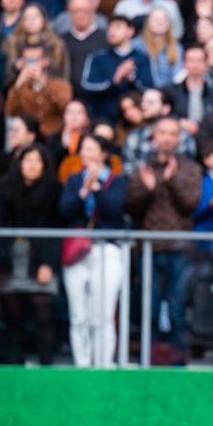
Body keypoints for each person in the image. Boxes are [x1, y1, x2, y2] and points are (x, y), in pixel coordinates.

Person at [125, 116, 202, 359]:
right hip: (149, 249)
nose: (167, 138)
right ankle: (151, 359)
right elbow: (130, 207)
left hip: (179, 248)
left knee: (177, 308)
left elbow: (191, 203)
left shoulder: (190, 168)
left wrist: (173, 180)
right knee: (150, 307)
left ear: (178, 139)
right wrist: (147, 190)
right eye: (162, 133)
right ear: (154, 137)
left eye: (172, 133)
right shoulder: (143, 168)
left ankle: (179, 362)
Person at [59, 134, 128, 367]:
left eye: (91, 149)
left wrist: (97, 189)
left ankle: (104, 364)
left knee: (103, 313)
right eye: (83, 149)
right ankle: (82, 363)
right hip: (78, 250)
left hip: (107, 249)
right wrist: (83, 193)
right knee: (79, 314)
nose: (85, 154)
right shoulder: (73, 179)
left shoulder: (117, 181)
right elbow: (65, 211)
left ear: (103, 153)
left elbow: (115, 211)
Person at [0, 144, 61, 364]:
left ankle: (45, 364)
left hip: (41, 255)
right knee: (12, 314)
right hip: (11, 256)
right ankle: (13, 363)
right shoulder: (5, 188)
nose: (32, 165)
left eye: (37, 161)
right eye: (28, 160)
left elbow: (56, 227)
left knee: (43, 310)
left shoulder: (54, 191)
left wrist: (48, 263)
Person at [80, 14, 154, 121]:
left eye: (117, 26)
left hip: (135, 120)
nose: (112, 31)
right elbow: (87, 86)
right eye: (110, 27)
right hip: (103, 118)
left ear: (130, 31)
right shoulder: (98, 57)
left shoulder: (142, 58)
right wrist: (114, 80)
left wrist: (132, 79)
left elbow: (150, 89)